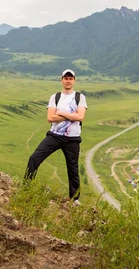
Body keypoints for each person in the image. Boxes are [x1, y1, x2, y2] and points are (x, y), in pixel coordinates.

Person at [25, 69, 87, 203]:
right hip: (54, 136)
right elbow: (50, 118)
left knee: (73, 168)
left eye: (71, 78)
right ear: (62, 80)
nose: (68, 81)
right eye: (66, 78)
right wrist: (72, 116)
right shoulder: (55, 97)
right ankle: (26, 188)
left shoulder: (80, 97)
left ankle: (74, 199)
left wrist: (62, 113)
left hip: (73, 139)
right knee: (34, 158)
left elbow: (80, 116)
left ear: (74, 81)